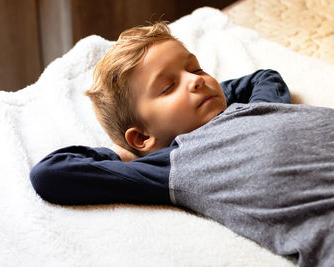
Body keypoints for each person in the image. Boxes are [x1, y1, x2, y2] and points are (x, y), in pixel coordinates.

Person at [30, 22, 334, 267]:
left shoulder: (256, 108)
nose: (196, 80)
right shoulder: (174, 165)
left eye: (195, 69)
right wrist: (122, 155)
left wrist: (218, 99)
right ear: (141, 137)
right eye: (168, 87)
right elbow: (51, 173)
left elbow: (264, 77)